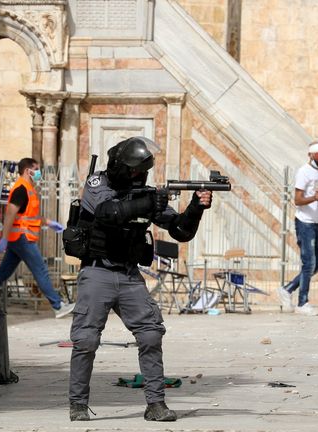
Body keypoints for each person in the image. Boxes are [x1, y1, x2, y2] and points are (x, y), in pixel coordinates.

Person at [68, 136, 212, 422]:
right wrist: (149, 202)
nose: (137, 175)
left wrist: (196, 207)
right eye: (133, 170)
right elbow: (109, 213)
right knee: (86, 339)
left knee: (150, 334)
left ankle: (156, 404)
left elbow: (181, 231)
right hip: (97, 272)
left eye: (141, 171)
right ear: (121, 166)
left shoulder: (144, 195)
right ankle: (78, 404)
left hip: (129, 275)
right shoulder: (98, 184)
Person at [0, 157, 75, 318]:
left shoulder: (28, 188)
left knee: (2, 273)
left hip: (19, 238)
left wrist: (49, 223)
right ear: (28, 171)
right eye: (37, 169)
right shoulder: (21, 189)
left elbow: (30, 215)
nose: (39, 173)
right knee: (41, 270)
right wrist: (4, 238)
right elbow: (10, 213)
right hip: (22, 238)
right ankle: (58, 305)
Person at [277, 141, 318, 315]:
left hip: (315, 222)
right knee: (309, 263)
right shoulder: (303, 172)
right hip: (304, 223)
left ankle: (288, 289)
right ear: (311, 155)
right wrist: (312, 198)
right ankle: (302, 303)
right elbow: (298, 200)